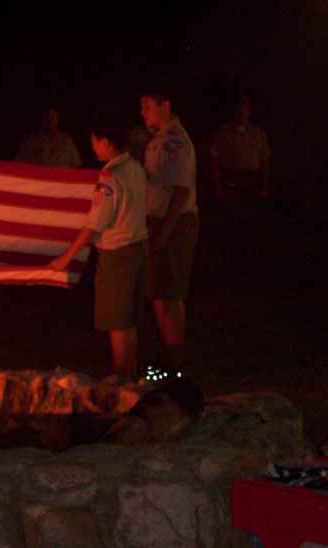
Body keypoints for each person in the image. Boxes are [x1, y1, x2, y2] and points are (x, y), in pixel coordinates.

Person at [49, 124, 148, 377]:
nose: (92, 146)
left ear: (106, 142)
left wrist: (65, 258)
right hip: (137, 248)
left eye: (94, 141)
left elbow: (94, 224)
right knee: (128, 319)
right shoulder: (135, 168)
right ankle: (131, 375)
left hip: (118, 253)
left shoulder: (110, 176)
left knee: (118, 321)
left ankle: (122, 378)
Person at [140, 88, 199, 371]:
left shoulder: (176, 142)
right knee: (159, 293)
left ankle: (174, 364)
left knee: (170, 294)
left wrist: (163, 232)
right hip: (159, 221)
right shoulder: (157, 140)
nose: (143, 112)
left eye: (147, 106)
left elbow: (181, 192)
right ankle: (166, 358)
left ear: (165, 105)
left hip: (174, 222)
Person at [210, 93, 271, 203]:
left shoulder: (258, 134)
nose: (241, 113)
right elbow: (214, 160)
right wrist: (217, 186)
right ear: (234, 111)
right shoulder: (223, 133)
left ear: (248, 111)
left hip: (252, 181)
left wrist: (264, 186)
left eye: (244, 109)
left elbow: (264, 161)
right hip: (231, 180)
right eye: (239, 109)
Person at [16, 108, 82, 168]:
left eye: (52, 117)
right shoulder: (31, 142)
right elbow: (20, 164)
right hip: (40, 179)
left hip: (60, 179)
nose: (49, 120)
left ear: (57, 119)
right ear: (41, 119)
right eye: (46, 116)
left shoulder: (67, 142)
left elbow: (75, 164)